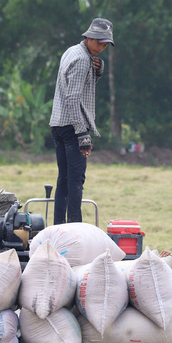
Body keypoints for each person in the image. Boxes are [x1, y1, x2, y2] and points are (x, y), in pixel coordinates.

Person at [49, 18, 114, 224]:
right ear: (89, 37)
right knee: (76, 182)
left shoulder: (71, 51)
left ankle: (58, 226)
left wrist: (98, 70)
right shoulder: (83, 60)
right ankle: (74, 228)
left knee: (64, 180)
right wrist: (82, 133)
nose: (102, 47)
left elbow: (82, 87)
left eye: (105, 44)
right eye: (99, 42)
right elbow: (73, 98)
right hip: (72, 126)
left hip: (58, 124)